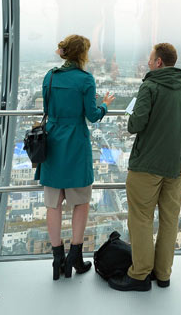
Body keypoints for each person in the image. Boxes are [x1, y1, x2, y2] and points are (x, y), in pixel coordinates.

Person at [109, 42, 181, 292]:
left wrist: (132, 113)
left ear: (159, 62)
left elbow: (135, 125)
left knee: (141, 219)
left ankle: (139, 275)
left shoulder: (150, 86)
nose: (148, 62)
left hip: (147, 164)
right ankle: (163, 273)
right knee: (170, 220)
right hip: (176, 164)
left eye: (150, 58)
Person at [37, 34, 114, 280]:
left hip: (52, 140)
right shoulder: (85, 80)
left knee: (53, 203)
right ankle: (75, 256)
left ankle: (57, 258)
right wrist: (105, 105)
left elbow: (47, 109)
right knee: (80, 202)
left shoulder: (50, 76)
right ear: (83, 55)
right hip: (75, 142)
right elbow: (91, 115)